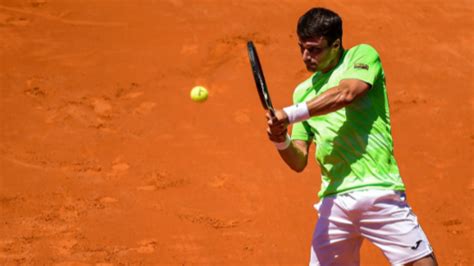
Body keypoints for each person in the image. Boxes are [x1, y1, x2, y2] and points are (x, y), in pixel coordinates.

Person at [266, 7, 438, 266]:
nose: (305, 56)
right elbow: (298, 159)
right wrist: (281, 139)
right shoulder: (302, 92)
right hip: (333, 203)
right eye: (302, 47)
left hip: (377, 189)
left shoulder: (361, 55)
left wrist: (290, 115)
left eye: (314, 49)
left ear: (336, 45)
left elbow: (347, 93)